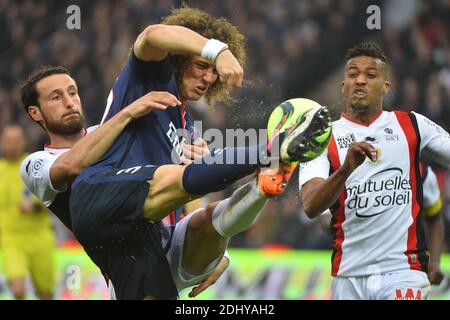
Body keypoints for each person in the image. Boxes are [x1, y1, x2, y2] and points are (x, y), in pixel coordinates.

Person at [21, 9, 328, 299]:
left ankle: (263, 185)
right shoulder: (146, 83)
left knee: (212, 215)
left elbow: (189, 195)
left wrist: (215, 249)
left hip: (152, 239)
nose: (208, 78)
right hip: (107, 216)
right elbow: (153, 35)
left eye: (72, 93)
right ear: (180, 59)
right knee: (172, 177)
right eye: (200, 66)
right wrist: (217, 51)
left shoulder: (185, 127)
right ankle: (274, 149)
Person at [299, 42, 450, 300]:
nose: (360, 80)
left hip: (403, 271)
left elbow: (434, 213)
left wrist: (434, 261)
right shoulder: (322, 137)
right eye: (352, 74)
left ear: (385, 87)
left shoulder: (412, 124)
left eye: (370, 75)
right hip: (347, 276)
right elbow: (311, 205)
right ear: (343, 85)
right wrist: (345, 169)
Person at [317, 164, 446, 288]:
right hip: (353, 268)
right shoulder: (347, 170)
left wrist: (435, 261)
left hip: (402, 269)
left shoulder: (421, 173)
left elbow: (434, 216)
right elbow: (325, 219)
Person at [0, 125, 56, 299]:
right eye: (8, 141)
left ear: (23, 142)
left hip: (40, 237)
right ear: (2, 142)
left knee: (45, 293)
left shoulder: (34, 165)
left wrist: (34, 206)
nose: (11, 145)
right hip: (12, 240)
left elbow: (52, 196)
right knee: (18, 289)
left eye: (16, 141)